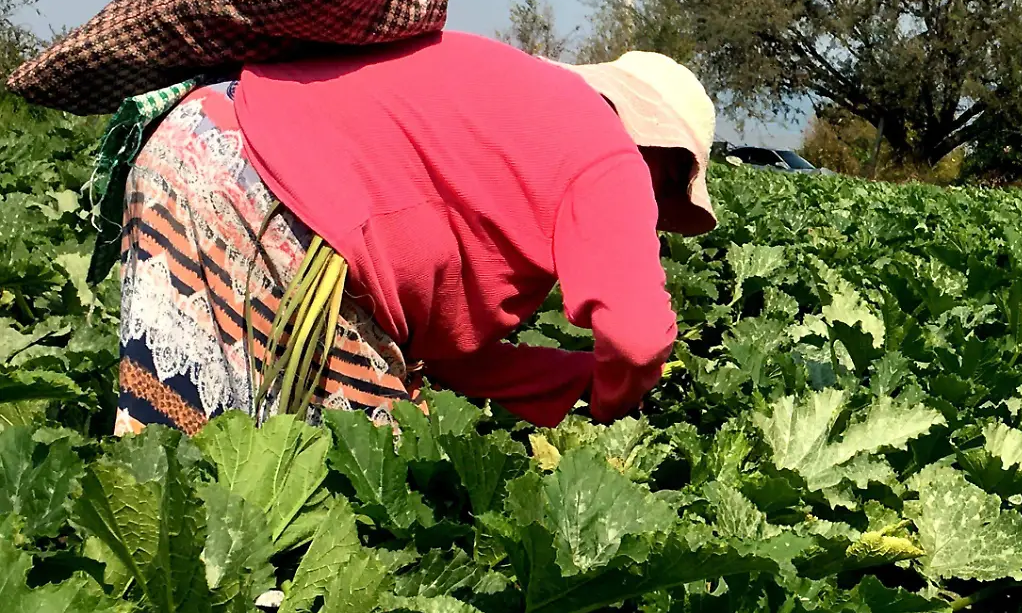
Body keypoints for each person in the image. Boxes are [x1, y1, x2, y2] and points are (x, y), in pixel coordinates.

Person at [114, 31, 715, 436]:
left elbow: (451, 357)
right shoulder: (611, 156)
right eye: (669, 195)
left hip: (193, 140)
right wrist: (616, 406)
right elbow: (639, 342)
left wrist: (576, 381)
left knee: (174, 453)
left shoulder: (515, 97)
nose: (657, 212)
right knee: (353, 479)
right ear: (664, 156)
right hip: (276, 206)